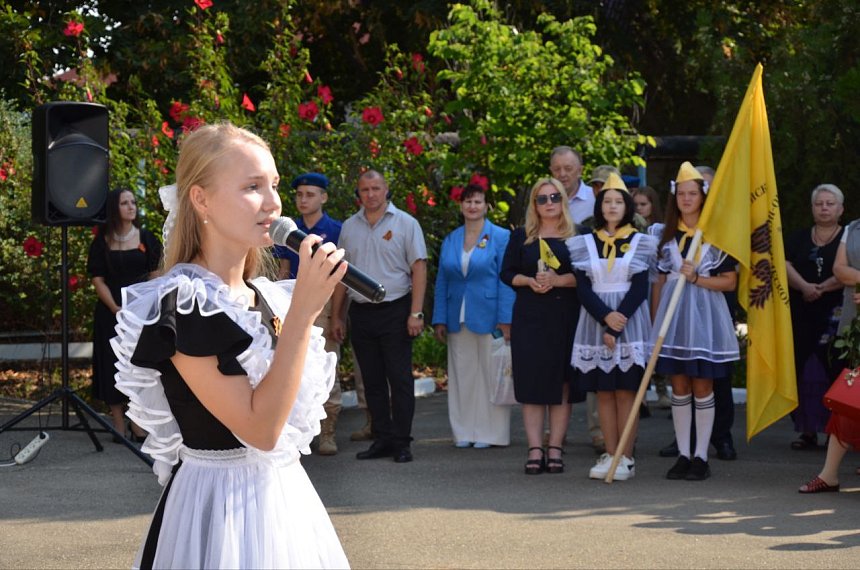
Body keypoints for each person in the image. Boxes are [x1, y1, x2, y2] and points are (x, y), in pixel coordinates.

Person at [112, 123, 349, 568]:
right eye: (252, 187)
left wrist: (296, 311)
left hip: (284, 505)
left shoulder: (270, 297)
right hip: (217, 509)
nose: (274, 203)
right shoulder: (183, 305)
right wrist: (303, 315)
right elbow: (260, 430)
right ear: (200, 199)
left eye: (274, 185)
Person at [649, 162, 740, 481]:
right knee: (679, 385)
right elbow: (659, 282)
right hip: (673, 320)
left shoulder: (717, 236)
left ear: (703, 197)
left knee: (703, 385)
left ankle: (701, 455)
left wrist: (698, 278)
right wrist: (655, 323)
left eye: (693, 193)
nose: (687, 199)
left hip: (705, 317)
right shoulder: (664, 236)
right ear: (675, 198)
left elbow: (729, 282)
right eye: (682, 194)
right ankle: (684, 454)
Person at [331, 170, 427, 464]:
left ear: (387, 190)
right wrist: (337, 316)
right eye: (364, 189)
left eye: (376, 188)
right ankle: (381, 438)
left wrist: (416, 312)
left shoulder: (406, 223)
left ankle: (402, 442)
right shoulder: (349, 226)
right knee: (371, 381)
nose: (370, 194)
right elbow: (341, 275)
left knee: (398, 380)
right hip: (361, 313)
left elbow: (419, 268)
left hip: (396, 310)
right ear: (357, 194)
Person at [567, 173, 657, 481]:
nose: (613, 206)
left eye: (619, 201)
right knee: (604, 392)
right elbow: (582, 288)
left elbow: (639, 287)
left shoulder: (642, 242)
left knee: (626, 392)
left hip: (629, 324)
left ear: (627, 206)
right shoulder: (583, 243)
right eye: (607, 201)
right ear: (599, 206)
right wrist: (605, 317)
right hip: (596, 322)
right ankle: (609, 451)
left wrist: (617, 323)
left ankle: (626, 456)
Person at [501, 178, 580, 475]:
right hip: (530, 317)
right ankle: (535, 448)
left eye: (554, 197)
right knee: (532, 384)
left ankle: (556, 447)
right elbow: (507, 274)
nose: (549, 204)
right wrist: (529, 281)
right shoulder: (521, 236)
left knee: (561, 384)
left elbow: (586, 277)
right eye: (542, 199)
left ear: (563, 200)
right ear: (534, 204)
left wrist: (559, 280)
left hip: (564, 318)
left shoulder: (577, 236)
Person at [432, 184, 515, 448]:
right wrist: (439, 319)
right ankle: (464, 432)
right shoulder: (451, 239)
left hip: (491, 316)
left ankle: (491, 435)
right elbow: (443, 280)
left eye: (478, 202)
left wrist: (506, 318)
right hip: (458, 316)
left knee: (491, 376)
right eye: (467, 202)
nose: (472, 206)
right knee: (462, 377)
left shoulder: (500, 237)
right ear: (461, 206)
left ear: (487, 206)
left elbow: (506, 280)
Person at [272, 172, 345, 456]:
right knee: (293, 363)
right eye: (300, 195)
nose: (303, 200)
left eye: (310, 194)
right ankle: (298, 432)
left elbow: (340, 278)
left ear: (324, 197)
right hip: (291, 300)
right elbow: (283, 271)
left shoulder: (336, 229)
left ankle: (328, 432)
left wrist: (338, 315)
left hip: (324, 303)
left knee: (327, 363)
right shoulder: (289, 230)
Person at [86, 187, 162, 443]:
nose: (131, 207)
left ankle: (138, 423)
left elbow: (155, 276)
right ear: (113, 209)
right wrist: (115, 308)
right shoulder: (101, 242)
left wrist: (148, 307)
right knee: (112, 367)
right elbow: (98, 280)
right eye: (124, 203)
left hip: (141, 314)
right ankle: (118, 424)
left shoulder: (147, 238)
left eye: (133, 202)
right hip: (111, 315)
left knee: (139, 367)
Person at [799, 214, 860, 493]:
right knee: (849, 399)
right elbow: (840, 270)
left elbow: (850, 274)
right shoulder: (854, 228)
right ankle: (829, 475)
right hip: (855, 328)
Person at [785, 184, 845, 450]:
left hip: (837, 315)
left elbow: (851, 268)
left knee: (836, 371)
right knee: (804, 372)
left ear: (840, 209)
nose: (824, 208)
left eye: (830, 203)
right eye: (819, 203)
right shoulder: (798, 237)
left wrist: (824, 286)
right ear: (812, 208)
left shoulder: (849, 238)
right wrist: (806, 287)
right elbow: (783, 264)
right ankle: (807, 430)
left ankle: (839, 433)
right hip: (802, 312)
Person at [549, 146, 593, 224]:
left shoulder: (594, 198)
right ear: (551, 171)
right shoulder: (544, 200)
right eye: (557, 169)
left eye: (568, 168)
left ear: (580, 171)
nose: (562, 174)